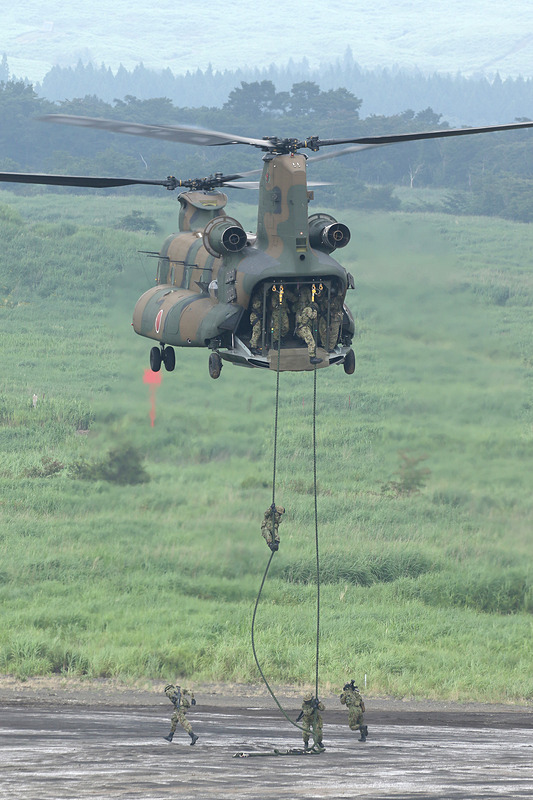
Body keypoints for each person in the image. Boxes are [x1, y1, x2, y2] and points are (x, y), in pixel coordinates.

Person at [295, 300, 322, 365]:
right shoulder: (308, 309)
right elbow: (313, 316)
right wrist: (315, 311)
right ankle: (312, 358)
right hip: (304, 329)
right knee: (312, 343)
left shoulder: (303, 309)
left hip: (302, 328)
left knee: (308, 339)